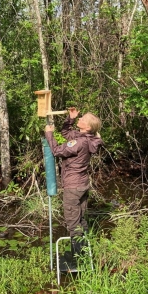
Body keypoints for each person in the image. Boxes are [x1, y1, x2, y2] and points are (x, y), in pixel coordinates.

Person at [44, 107, 103, 260]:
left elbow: (56, 151)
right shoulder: (86, 137)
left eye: (82, 119)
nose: (80, 119)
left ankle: (77, 258)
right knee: (81, 219)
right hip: (82, 184)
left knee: (73, 222)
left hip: (73, 186)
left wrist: (49, 133)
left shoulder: (79, 142)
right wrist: (70, 119)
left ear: (88, 127)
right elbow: (66, 133)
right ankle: (84, 252)